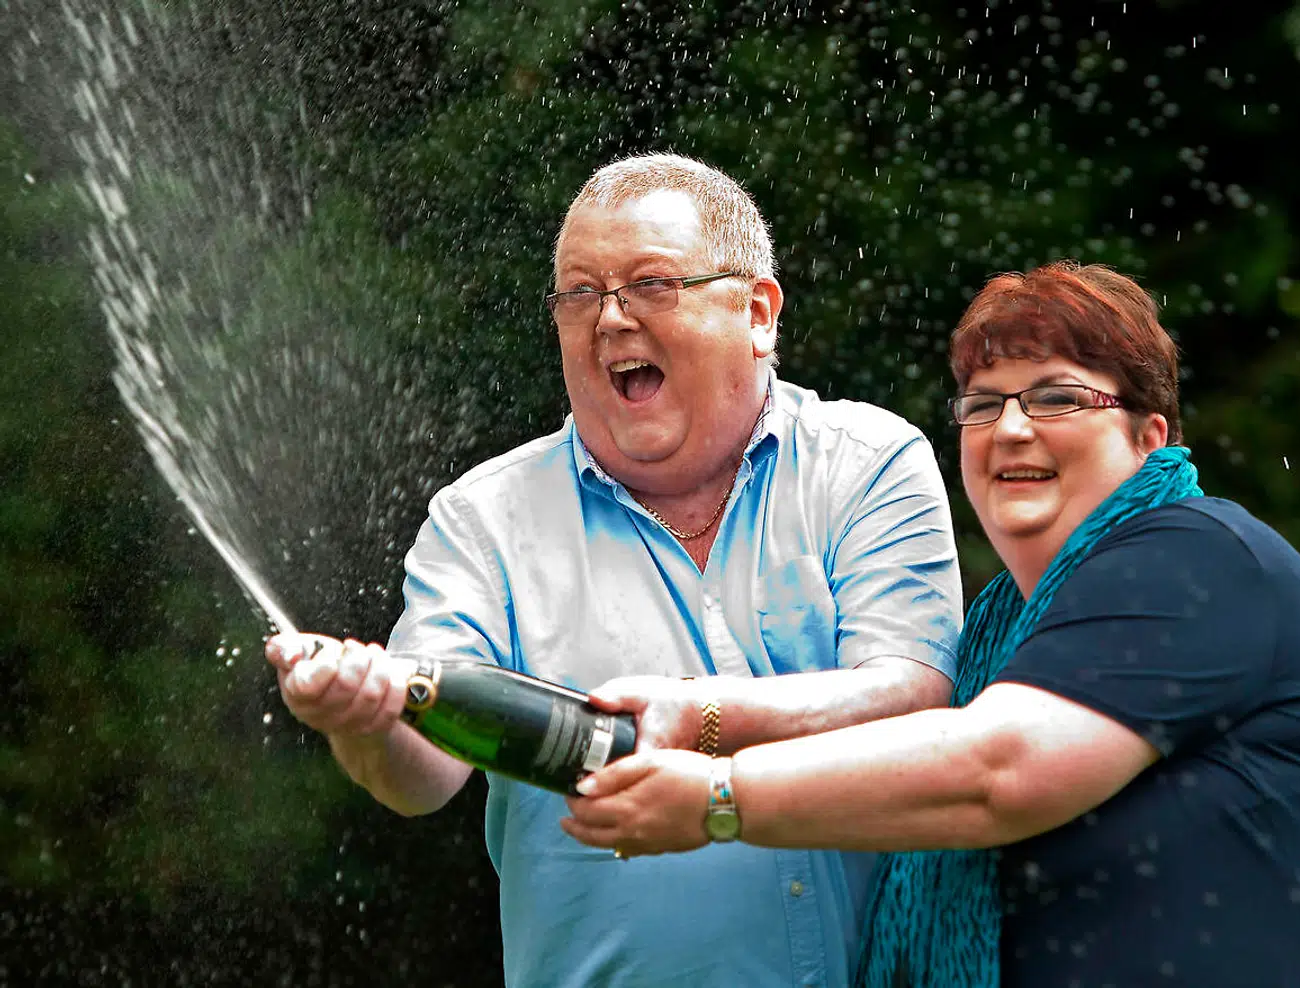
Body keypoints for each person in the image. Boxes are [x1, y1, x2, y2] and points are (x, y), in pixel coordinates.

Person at [562, 261, 1300, 987]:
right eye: (983, 404)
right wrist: (700, 715)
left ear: (1149, 438)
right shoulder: (1002, 635)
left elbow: (996, 771)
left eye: (1057, 398)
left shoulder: (1194, 552)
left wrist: (717, 801)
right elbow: (920, 751)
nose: (1010, 429)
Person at [264, 153, 965, 988]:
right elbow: (422, 777)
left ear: (758, 313)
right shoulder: (483, 519)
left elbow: (911, 697)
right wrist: (364, 718)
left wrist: (697, 717)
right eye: (579, 294)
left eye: (651, 285)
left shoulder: (869, 462)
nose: (609, 320)